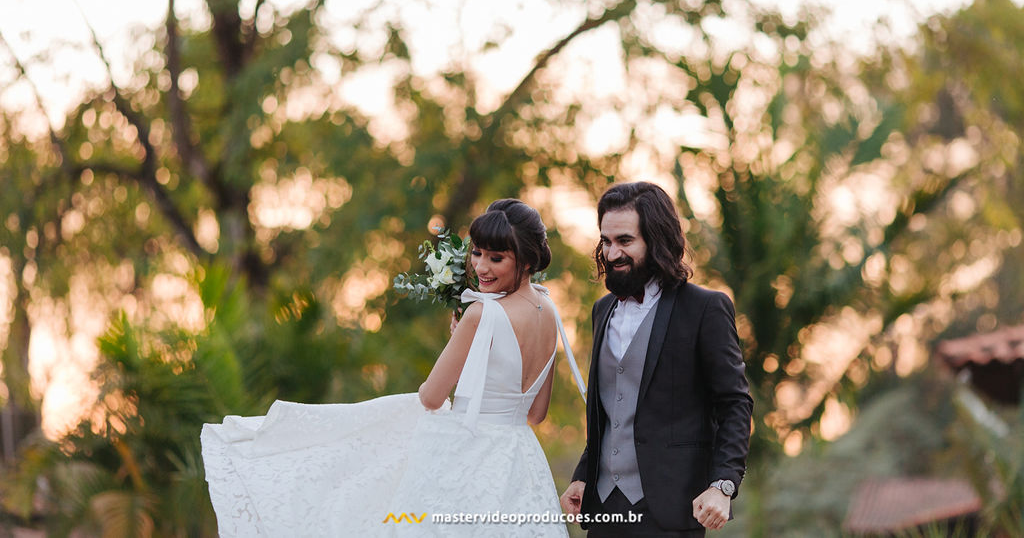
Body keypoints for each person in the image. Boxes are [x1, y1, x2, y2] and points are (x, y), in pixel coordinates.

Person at [202, 199, 585, 536]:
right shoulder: (549, 310)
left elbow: (432, 396)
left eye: (496, 258)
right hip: (521, 462)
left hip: (472, 456)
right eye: (477, 253)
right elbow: (536, 414)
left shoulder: (481, 314)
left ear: (528, 260)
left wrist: (461, 340)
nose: (481, 267)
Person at [559, 182, 752, 536]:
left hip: (671, 507)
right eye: (606, 241)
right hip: (604, 509)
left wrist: (722, 484)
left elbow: (735, 403)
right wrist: (584, 476)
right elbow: (609, 411)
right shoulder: (602, 311)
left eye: (625, 241)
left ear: (657, 239)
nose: (612, 253)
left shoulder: (705, 308)